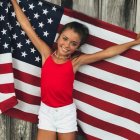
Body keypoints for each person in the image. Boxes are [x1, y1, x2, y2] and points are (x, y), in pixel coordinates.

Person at [11, 0, 140, 140]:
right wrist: (13, 1)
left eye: (73, 43)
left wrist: (134, 42)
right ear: (59, 36)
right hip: (46, 111)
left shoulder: (75, 63)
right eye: (65, 39)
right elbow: (26, 27)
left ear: (78, 47)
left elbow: (107, 53)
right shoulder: (46, 54)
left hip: (65, 114)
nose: (67, 45)